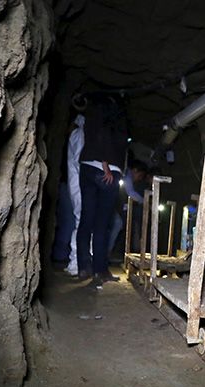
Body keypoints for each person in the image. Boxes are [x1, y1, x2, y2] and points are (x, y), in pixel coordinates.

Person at [75, 96, 128, 286]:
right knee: (102, 224)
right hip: (106, 171)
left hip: (87, 168)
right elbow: (103, 136)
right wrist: (106, 164)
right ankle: (100, 271)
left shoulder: (91, 115)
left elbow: (95, 136)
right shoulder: (110, 116)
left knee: (86, 220)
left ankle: (83, 268)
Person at [64, 107, 85, 276]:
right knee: (82, 222)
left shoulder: (76, 134)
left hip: (76, 184)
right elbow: (80, 161)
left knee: (81, 222)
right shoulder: (80, 134)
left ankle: (78, 262)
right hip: (80, 184)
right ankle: (76, 264)